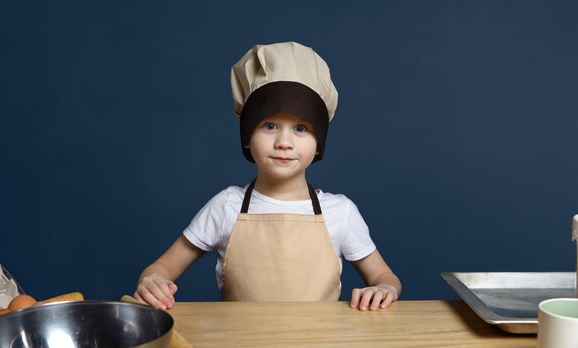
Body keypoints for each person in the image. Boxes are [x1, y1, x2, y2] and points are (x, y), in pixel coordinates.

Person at [134, 41, 402, 311]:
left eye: (300, 128)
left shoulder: (341, 212)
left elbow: (384, 276)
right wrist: (152, 281)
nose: (284, 142)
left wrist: (384, 288)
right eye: (270, 125)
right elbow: (162, 267)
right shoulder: (226, 206)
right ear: (247, 137)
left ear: (319, 142)